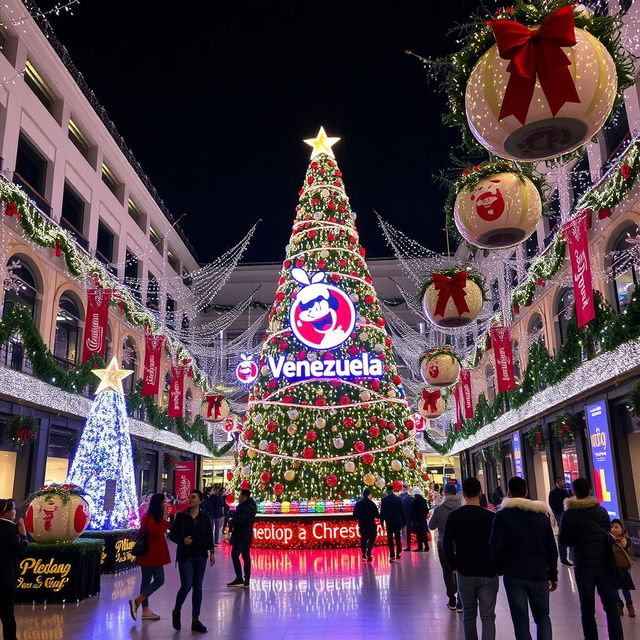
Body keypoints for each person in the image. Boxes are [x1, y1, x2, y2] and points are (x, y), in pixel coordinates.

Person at [489, 476, 558, 640]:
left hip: (514, 574)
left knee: (520, 619)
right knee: (542, 616)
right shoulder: (542, 516)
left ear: (508, 493)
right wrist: (553, 575)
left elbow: (495, 546)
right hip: (539, 574)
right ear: (526, 492)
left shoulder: (502, 516)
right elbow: (551, 549)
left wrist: (499, 568)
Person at [559, 477, 623, 640]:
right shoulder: (601, 511)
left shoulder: (569, 515)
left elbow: (564, 540)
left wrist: (577, 541)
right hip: (604, 564)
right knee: (610, 605)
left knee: (587, 609)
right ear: (589, 491)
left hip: (583, 565)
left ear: (574, 492)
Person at [443, 477, 499, 640]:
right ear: (480, 492)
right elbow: (499, 544)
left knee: (468, 615)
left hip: (465, 571)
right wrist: (498, 567)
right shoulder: (491, 516)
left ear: (464, 494)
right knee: (488, 616)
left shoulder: (455, 516)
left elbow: (446, 544)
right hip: (488, 572)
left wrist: (453, 565)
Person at [169, 490, 215, 633]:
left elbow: (208, 536)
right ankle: (177, 610)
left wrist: (211, 552)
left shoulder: (206, 518)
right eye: (190, 497)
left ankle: (195, 619)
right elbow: (173, 534)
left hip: (201, 556)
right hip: (185, 556)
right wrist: (182, 540)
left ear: (200, 501)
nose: (190, 499)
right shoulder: (182, 516)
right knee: (186, 586)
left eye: (194, 497)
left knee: (198, 587)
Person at [129, 493, 171, 621]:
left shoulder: (153, 517)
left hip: (153, 553)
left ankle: (145, 610)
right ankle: (137, 602)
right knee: (159, 580)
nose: (165, 504)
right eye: (163, 502)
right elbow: (156, 532)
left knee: (146, 581)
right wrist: (164, 520)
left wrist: (164, 519)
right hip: (151, 554)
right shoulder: (149, 517)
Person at [429, 483, 462, 612]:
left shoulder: (439, 509)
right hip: (459, 544)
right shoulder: (461, 508)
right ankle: (461, 601)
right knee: (460, 572)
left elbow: (431, 526)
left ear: (445, 494)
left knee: (447, 572)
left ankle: (452, 600)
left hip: (443, 544)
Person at [0, 499, 28, 640]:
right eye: (14, 509)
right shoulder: (9, 529)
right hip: (5, 579)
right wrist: (23, 536)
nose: (15, 512)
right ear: (5, 512)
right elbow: (19, 551)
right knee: (7, 615)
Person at [227, 489, 257, 588]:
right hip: (248, 535)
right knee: (246, 556)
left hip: (240, 535)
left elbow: (239, 521)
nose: (238, 498)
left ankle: (239, 578)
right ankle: (247, 579)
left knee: (234, 555)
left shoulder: (243, 508)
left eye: (240, 496)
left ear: (244, 497)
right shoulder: (252, 507)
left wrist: (231, 520)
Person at [611, 519, 635, 617]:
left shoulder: (626, 540)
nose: (614, 529)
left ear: (622, 528)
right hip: (613, 569)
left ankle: (630, 605)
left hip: (623, 569)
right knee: (614, 589)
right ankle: (619, 604)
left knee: (625, 588)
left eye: (617, 527)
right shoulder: (609, 540)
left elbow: (630, 554)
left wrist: (623, 543)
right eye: (612, 527)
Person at [548, 476, 572, 566]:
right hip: (560, 514)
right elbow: (552, 504)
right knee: (563, 534)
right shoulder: (553, 493)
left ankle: (570, 555)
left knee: (569, 533)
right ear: (557, 482)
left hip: (567, 513)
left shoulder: (566, 491)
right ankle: (563, 557)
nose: (563, 482)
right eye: (561, 481)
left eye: (564, 481)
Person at [353, 488, 379, 562]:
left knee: (363, 539)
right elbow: (377, 515)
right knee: (373, 536)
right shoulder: (371, 503)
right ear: (369, 494)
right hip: (371, 523)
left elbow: (354, 515)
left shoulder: (358, 504)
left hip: (362, 524)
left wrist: (360, 517)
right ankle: (369, 550)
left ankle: (363, 554)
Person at [380, 485, 406, 562]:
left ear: (387, 491)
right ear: (393, 490)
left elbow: (382, 513)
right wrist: (404, 521)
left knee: (390, 538)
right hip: (397, 521)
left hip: (389, 522)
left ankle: (391, 554)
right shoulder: (398, 499)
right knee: (397, 536)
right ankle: (398, 552)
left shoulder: (384, 500)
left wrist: (382, 523)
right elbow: (402, 511)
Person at [410, 488, 429, 552]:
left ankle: (420, 547)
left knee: (418, 534)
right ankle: (426, 546)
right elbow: (426, 510)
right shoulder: (424, 500)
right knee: (424, 533)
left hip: (417, 520)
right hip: (423, 520)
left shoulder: (414, 501)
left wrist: (414, 520)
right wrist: (424, 516)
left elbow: (413, 512)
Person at [399, 483, 413, 551]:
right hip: (407, 517)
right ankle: (407, 545)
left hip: (403, 517)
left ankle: (407, 545)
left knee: (405, 532)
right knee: (406, 532)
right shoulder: (410, 497)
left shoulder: (400, 497)